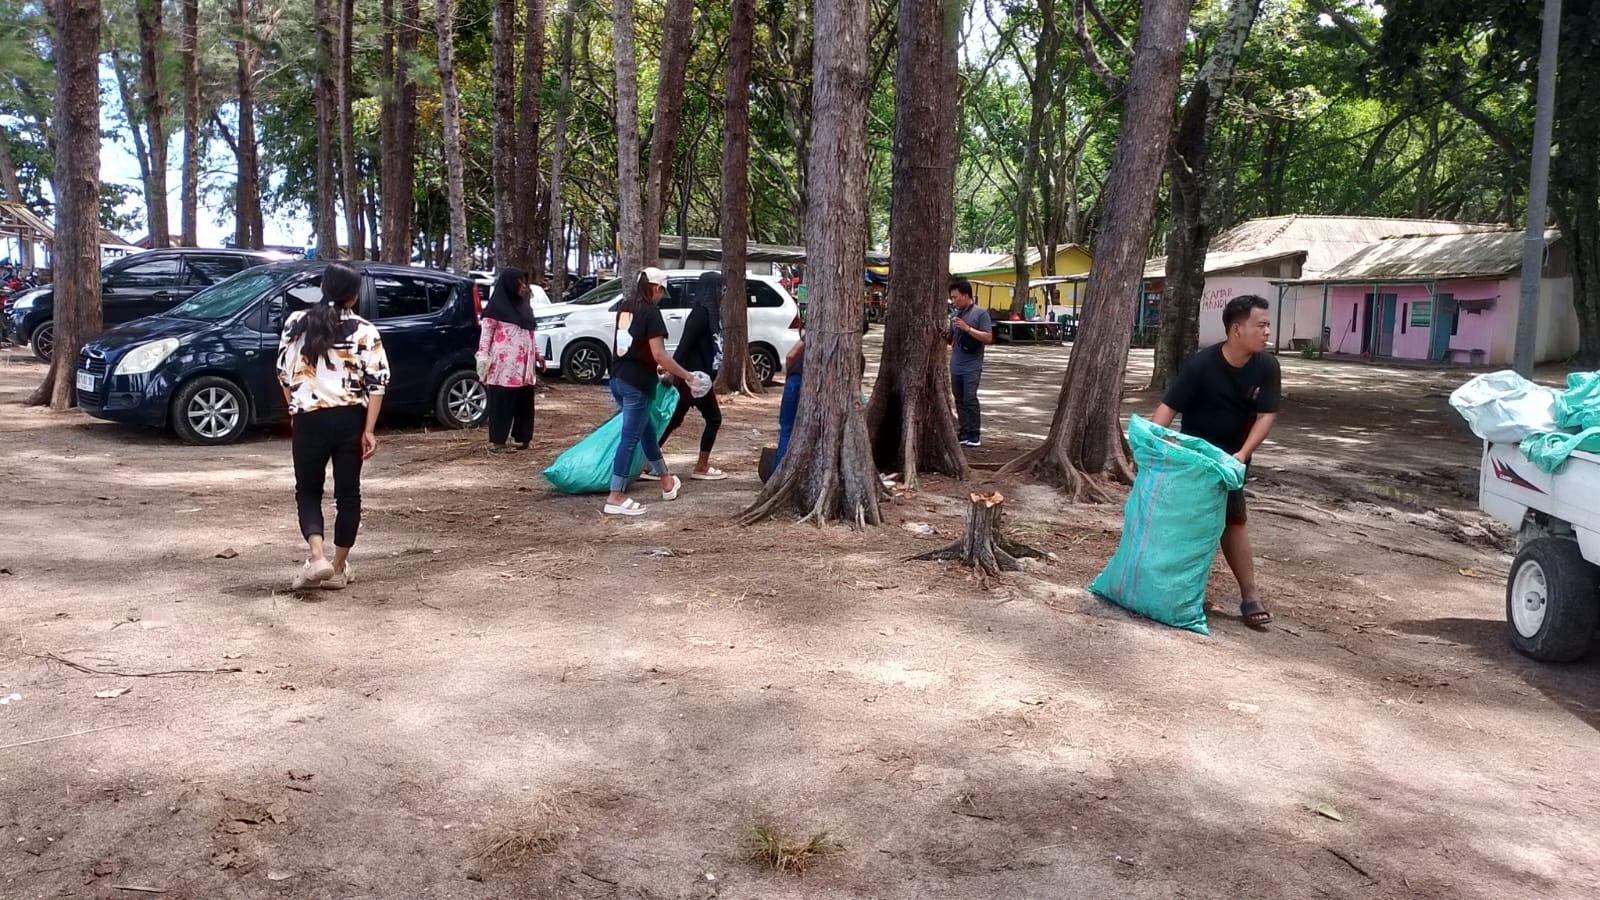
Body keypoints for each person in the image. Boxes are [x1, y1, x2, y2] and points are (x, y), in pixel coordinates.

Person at [1151, 294, 1282, 628]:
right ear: (1237, 329)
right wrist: (1149, 444)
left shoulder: (1266, 367)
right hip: (1194, 458)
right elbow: (1168, 408)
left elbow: (1266, 417)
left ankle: (1250, 595)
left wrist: (1241, 455)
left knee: (1234, 523)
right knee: (1187, 525)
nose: (1267, 331)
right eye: (1261, 324)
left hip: (1232, 461)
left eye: (1268, 324)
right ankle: (1183, 592)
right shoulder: (1201, 364)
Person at [276, 261, 390, 591]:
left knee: (308, 490)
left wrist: (294, 412)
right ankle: (339, 569)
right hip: (349, 420)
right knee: (348, 495)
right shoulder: (365, 331)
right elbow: (378, 383)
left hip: (309, 418)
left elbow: (284, 374)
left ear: (323, 288)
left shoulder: (296, 323)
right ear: (354, 296)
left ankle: (317, 557)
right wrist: (369, 430)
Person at [604, 267, 702, 516]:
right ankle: (615, 496)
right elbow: (659, 353)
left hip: (618, 378)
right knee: (629, 439)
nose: (661, 297)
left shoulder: (625, 307)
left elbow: (631, 345)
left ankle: (666, 481)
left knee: (646, 433)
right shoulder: (651, 312)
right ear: (656, 288)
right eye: (662, 292)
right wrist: (687, 376)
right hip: (637, 384)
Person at [655, 271, 728, 479]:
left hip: (696, 378)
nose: (724, 293)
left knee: (674, 420)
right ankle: (701, 467)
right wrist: (673, 372)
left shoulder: (711, 314)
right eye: (721, 288)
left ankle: (648, 464)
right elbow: (683, 346)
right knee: (714, 419)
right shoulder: (700, 314)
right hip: (694, 379)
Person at [477, 267, 544, 454]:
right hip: (504, 366)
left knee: (524, 402)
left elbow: (530, 334)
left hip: (525, 366)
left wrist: (538, 355)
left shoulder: (524, 306)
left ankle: (522, 437)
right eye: (519, 283)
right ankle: (498, 441)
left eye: (524, 282)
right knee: (502, 402)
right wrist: (482, 362)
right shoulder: (495, 310)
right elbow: (485, 338)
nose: (523, 287)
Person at [947, 278, 994, 447]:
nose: (954, 301)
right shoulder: (955, 315)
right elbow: (952, 340)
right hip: (956, 364)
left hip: (972, 365)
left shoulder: (980, 314)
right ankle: (964, 431)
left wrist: (968, 328)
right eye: (952, 298)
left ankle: (975, 434)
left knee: (970, 398)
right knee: (958, 398)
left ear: (966, 295)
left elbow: (988, 337)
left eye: (955, 297)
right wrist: (944, 334)